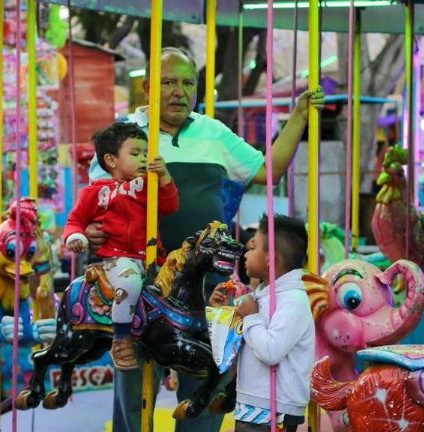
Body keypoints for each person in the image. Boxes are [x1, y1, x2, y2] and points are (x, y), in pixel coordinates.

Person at [85, 47, 324, 432]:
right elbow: (96, 200)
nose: (178, 91)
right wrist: (93, 230)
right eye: (167, 82)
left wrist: (297, 117)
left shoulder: (213, 132)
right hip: (146, 277)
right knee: (134, 378)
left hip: (208, 281)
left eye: (187, 83)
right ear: (147, 87)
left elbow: (268, 170)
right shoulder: (124, 136)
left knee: (210, 379)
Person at [62, 123, 179, 369]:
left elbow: (170, 207)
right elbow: (75, 220)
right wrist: (76, 237)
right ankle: (121, 340)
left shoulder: (149, 184)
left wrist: (165, 178)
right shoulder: (95, 193)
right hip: (119, 258)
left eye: (145, 153)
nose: (143, 158)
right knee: (129, 284)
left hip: (152, 257)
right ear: (111, 160)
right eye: (135, 153)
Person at [209, 214, 314, 432]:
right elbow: (234, 339)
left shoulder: (293, 300)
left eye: (252, 247)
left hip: (274, 409)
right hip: (255, 403)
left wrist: (250, 317)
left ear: (271, 259)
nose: (245, 254)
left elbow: (270, 351)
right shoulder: (263, 294)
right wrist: (221, 310)